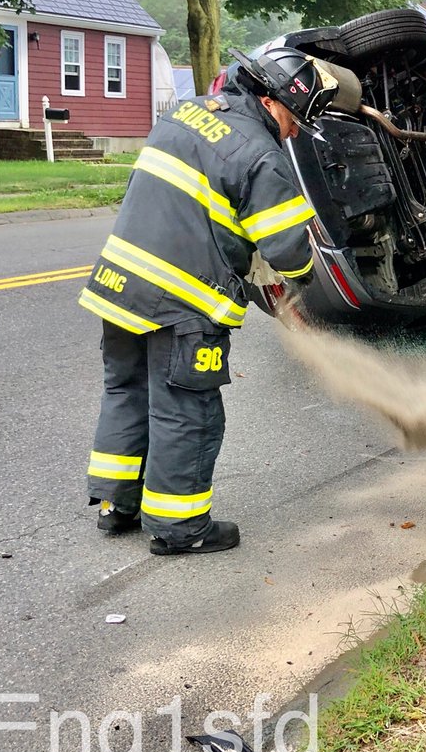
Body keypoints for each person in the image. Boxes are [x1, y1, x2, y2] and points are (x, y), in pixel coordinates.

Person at [80, 46, 339, 555]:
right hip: (182, 301)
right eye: (294, 122)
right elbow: (289, 250)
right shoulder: (261, 156)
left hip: (119, 285)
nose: (292, 135)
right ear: (272, 103)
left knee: (128, 390)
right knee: (187, 408)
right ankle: (180, 529)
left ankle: (117, 504)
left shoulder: (185, 113)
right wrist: (299, 280)